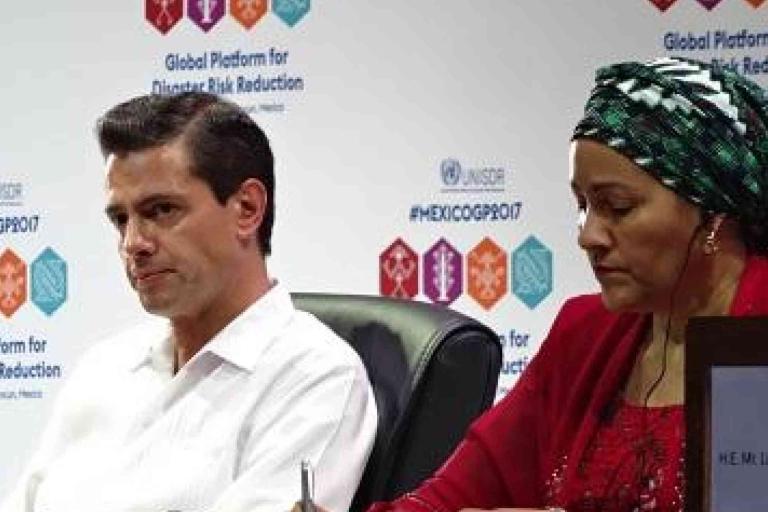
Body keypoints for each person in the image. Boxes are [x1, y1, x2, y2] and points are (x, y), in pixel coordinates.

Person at [360, 57, 768, 511]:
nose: (587, 236)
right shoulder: (582, 332)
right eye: (582, 205)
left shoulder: (756, 341)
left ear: (713, 213)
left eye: (618, 207)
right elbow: (446, 500)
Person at [0, 92, 377, 512]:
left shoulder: (314, 378)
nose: (133, 244)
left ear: (247, 209)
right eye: (120, 219)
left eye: (161, 210)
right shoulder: (102, 366)